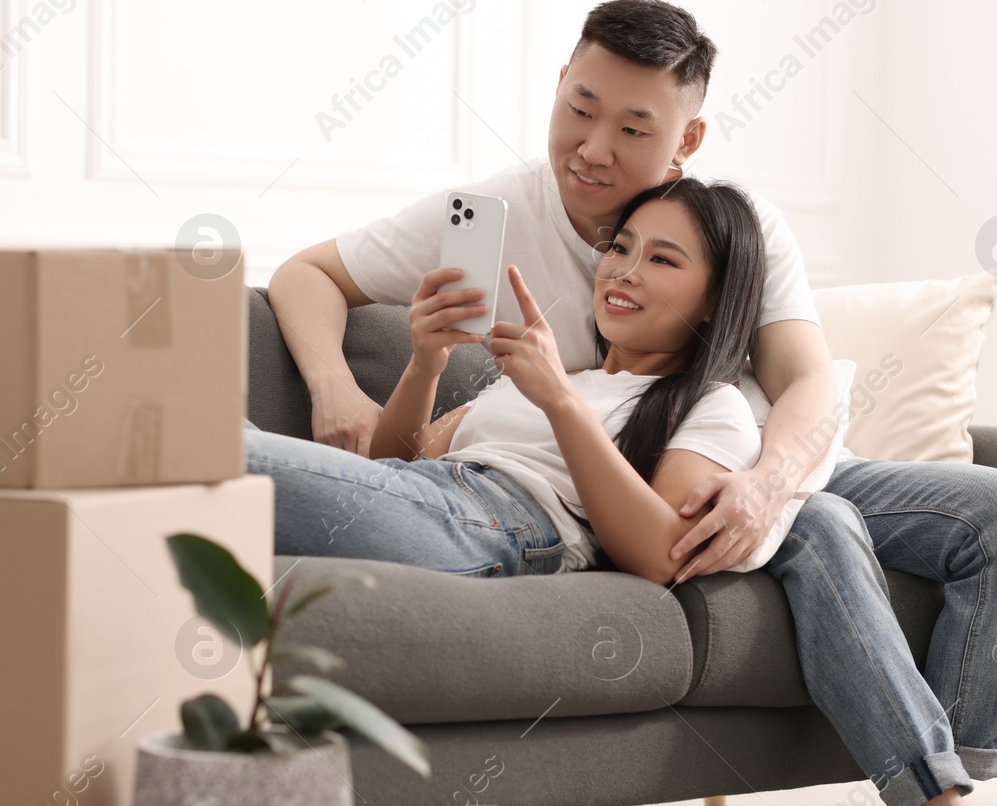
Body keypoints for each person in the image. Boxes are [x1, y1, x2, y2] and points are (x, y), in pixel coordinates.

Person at [261, 0, 997, 806]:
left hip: (768, 452)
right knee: (819, 532)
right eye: (579, 107)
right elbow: (308, 277)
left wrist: (770, 484)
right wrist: (340, 388)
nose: (591, 146)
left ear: (686, 137)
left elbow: (807, 384)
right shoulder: (497, 220)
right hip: (639, 475)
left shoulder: (735, 232)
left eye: (632, 127)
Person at [247, 177, 765, 581]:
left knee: (214, 456)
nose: (623, 271)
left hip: (495, 522)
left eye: (661, 259)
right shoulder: (545, 375)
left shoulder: (715, 405)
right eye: (620, 247)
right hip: (425, 491)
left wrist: (560, 402)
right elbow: (395, 463)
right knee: (214, 444)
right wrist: (426, 364)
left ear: (715, 299)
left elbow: (660, 555)